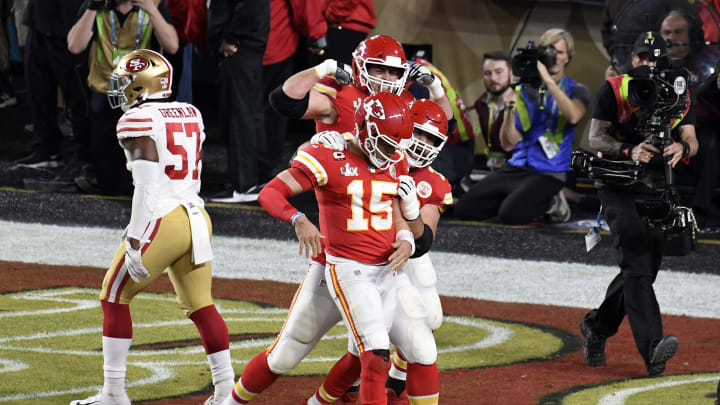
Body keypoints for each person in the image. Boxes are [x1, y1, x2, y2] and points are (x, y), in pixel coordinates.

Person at [221, 93, 418, 405]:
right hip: (341, 269)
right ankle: (228, 403)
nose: (391, 152)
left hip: (384, 273)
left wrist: (406, 239)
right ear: (365, 130)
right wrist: (298, 218)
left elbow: (394, 212)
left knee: (366, 355)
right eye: (385, 143)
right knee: (285, 357)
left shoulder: (396, 158)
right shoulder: (330, 154)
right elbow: (271, 192)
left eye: (397, 145)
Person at [69, 49, 234, 405]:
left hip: (162, 218)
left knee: (114, 296)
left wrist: (135, 237)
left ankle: (114, 393)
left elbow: (146, 186)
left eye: (126, 81)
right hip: (196, 216)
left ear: (143, 83)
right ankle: (224, 394)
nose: (121, 89)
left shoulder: (136, 120)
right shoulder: (191, 112)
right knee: (201, 305)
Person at [302, 99, 451, 405]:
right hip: (351, 262)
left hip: (401, 259)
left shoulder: (433, 181)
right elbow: (324, 159)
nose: (422, 145)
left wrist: (411, 215)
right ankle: (323, 399)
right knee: (351, 349)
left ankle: (395, 377)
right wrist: (318, 142)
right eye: (418, 134)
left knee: (426, 328)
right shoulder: (375, 151)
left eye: (431, 139)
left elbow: (423, 244)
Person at [580, 32, 698, 377]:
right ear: (633, 60)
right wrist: (628, 150)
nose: (648, 64)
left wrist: (684, 149)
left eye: (655, 58)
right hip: (616, 183)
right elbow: (594, 138)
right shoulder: (614, 89)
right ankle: (652, 349)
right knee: (636, 262)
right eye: (643, 57)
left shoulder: (677, 89)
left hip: (657, 185)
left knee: (644, 270)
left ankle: (597, 327)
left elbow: (691, 137)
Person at [454, 28, 589, 225]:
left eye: (558, 52)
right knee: (464, 209)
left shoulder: (577, 89)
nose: (553, 56)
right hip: (518, 166)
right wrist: (511, 104)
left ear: (567, 58)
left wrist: (548, 81)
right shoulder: (525, 90)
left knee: (511, 216)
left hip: (549, 171)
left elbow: (574, 116)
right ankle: (521, 199)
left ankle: (551, 200)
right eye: (548, 50)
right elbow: (508, 144)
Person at [67, 0, 179, 196]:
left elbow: (172, 46)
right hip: (105, 94)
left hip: (141, 97)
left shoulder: (154, 5)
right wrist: (92, 8)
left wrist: (152, 10)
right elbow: (75, 46)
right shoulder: (95, 7)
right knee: (109, 182)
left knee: (143, 177)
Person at [13, 0, 90, 173]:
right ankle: (46, 150)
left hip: (70, 21)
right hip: (39, 18)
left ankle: (83, 154)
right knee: (37, 88)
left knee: (77, 94)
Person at [206, 0, 270, 203]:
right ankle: (253, 180)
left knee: (238, 116)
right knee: (248, 114)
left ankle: (244, 184)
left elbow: (251, 6)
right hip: (244, 46)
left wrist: (230, 37)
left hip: (238, 47)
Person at [660, 10, 720, 223]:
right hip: (660, 123)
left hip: (700, 128)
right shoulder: (652, 64)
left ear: (691, 35)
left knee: (712, 141)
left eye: (679, 32)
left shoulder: (708, 65)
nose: (672, 38)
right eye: (667, 32)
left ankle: (701, 211)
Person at [473, 50, 515, 171]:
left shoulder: (524, 101)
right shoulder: (480, 103)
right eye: (487, 73)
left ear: (511, 74)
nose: (493, 78)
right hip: (494, 166)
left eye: (499, 72)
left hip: (523, 169)